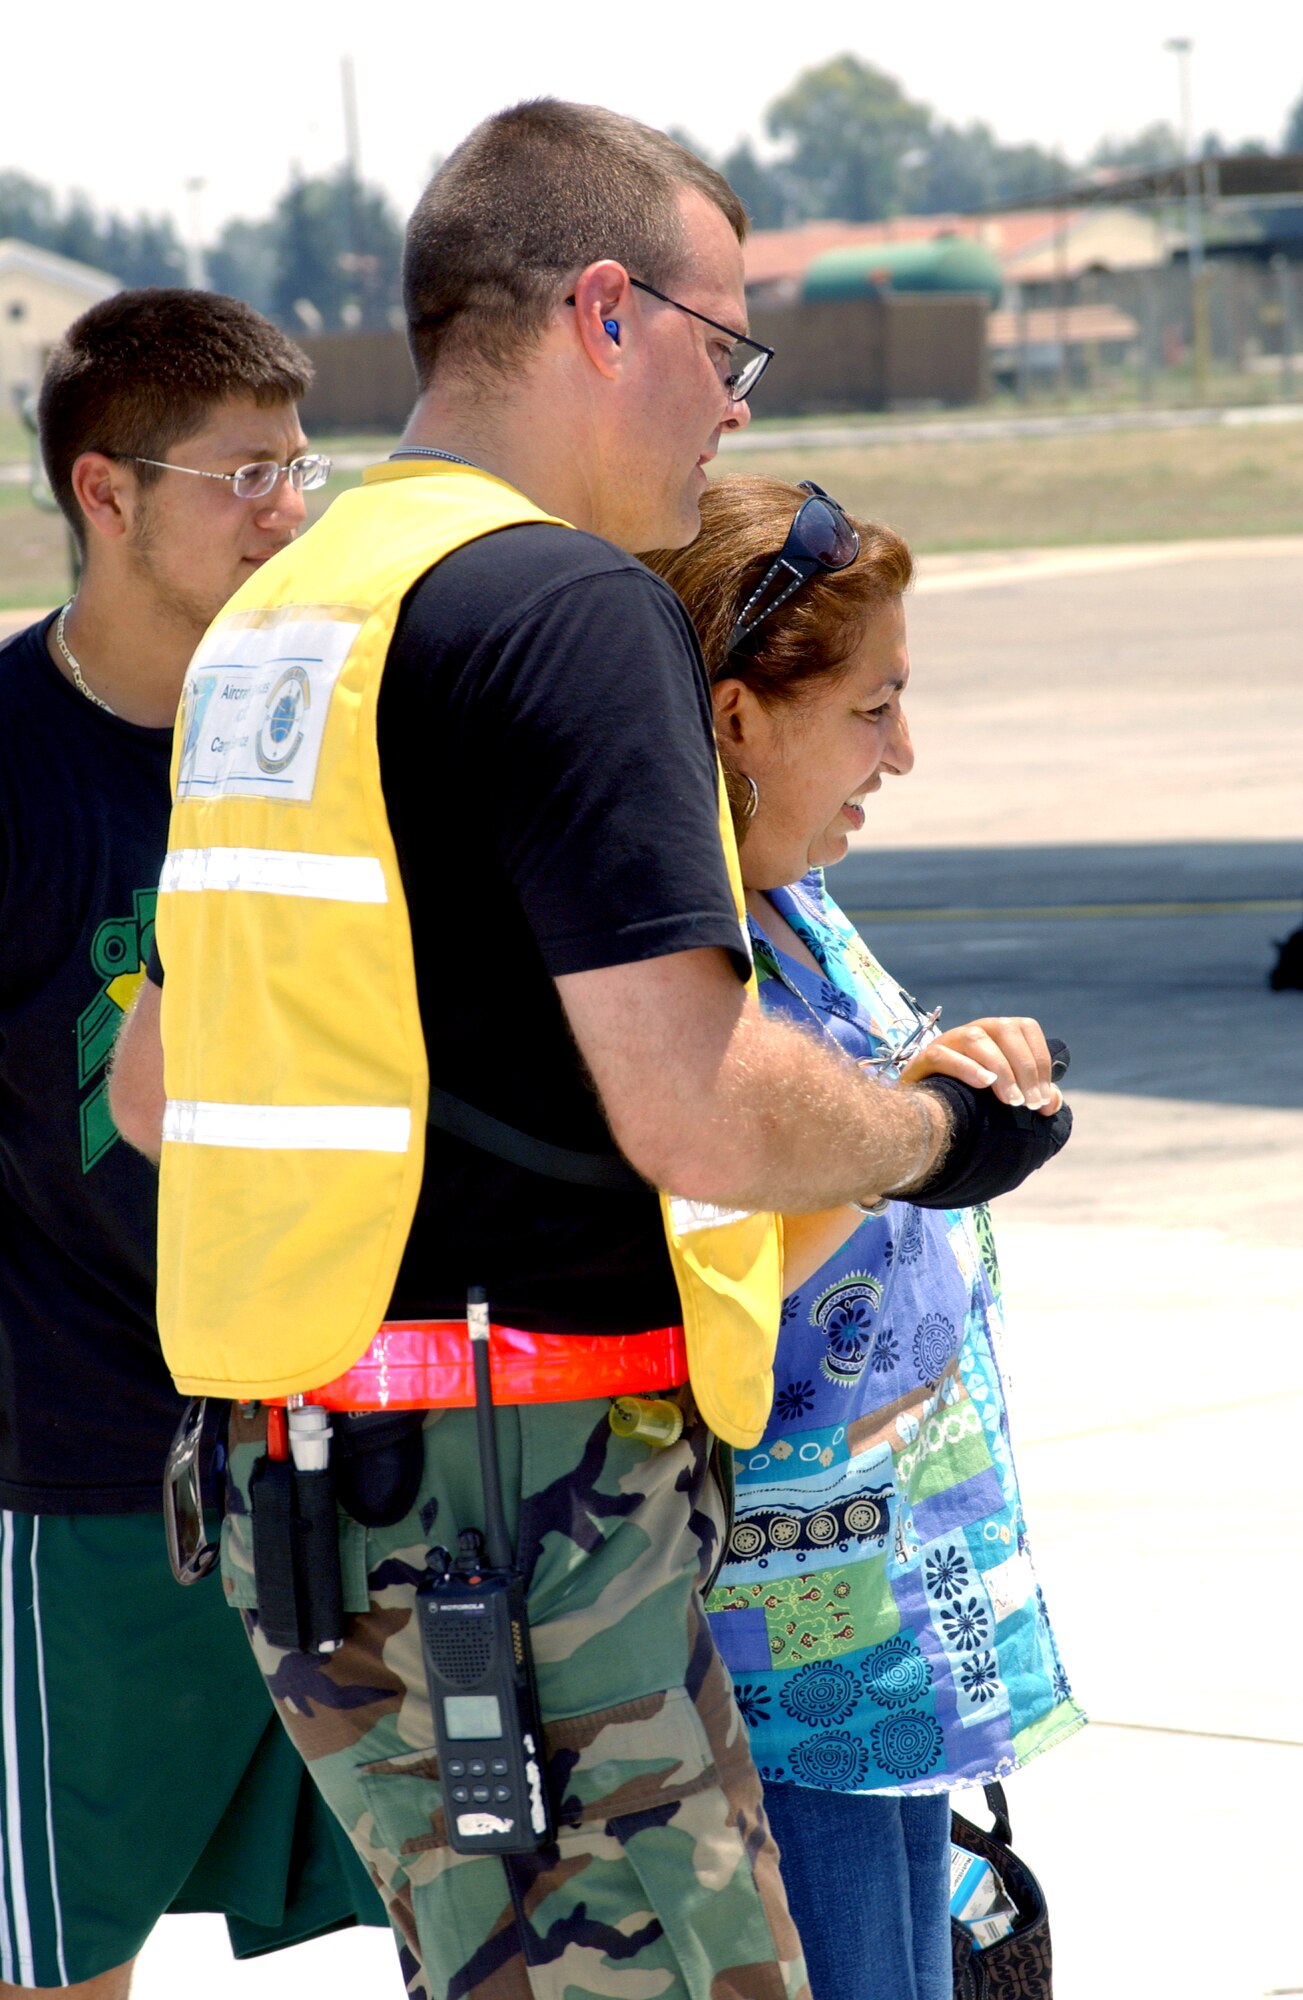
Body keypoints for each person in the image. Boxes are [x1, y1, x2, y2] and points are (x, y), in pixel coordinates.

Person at [111, 103, 1069, 2000]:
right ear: (607, 313)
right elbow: (693, 1096)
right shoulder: (562, 607)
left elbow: (155, 1094)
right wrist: (930, 1133)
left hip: (309, 1489)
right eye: (728, 351)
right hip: (517, 1492)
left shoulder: (285, 619)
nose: (733, 409)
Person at [643, 475, 1085, 2000]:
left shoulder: (800, 905)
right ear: (737, 720)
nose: (904, 754)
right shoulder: (672, 965)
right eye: (871, 709)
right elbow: (709, 1261)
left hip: (885, 1621)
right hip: (789, 1647)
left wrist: (950, 1091)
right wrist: (898, 1147)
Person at [0, 288, 388, 1999]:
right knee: (60, 1964)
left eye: (298, 467)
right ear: (105, 491)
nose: (284, 513)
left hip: (344, 1451)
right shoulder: (7, 760)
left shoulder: (325, 737)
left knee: (480, 1929)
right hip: (78, 1478)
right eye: (242, 474)